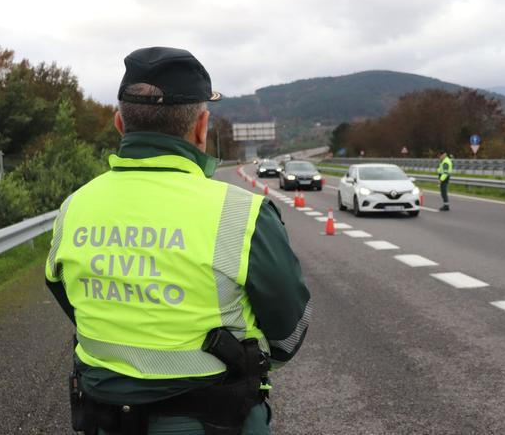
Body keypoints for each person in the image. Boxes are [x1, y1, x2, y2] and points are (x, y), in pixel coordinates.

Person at [45, 47, 311, 435]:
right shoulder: (243, 213)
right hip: (219, 421)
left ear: (120, 124)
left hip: (104, 421)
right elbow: (288, 334)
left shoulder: (74, 207)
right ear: (202, 126)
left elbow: (63, 292)